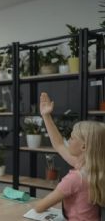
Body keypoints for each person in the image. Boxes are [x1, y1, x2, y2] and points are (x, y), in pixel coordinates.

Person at [34, 92, 105, 220]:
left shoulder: (75, 179)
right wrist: (46, 115)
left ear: (83, 147)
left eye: (72, 138)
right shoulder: (96, 169)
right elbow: (59, 144)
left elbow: (40, 207)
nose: (69, 140)